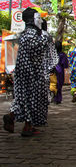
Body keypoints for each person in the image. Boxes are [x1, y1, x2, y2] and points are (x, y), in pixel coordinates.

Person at [3, 8, 57, 136]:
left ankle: (12, 117)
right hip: (33, 72)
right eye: (38, 18)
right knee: (32, 99)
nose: (40, 21)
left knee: (22, 98)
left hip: (23, 72)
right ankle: (27, 127)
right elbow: (37, 51)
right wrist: (46, 39)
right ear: (31, 21)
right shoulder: (35, 35)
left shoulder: (25, 34)